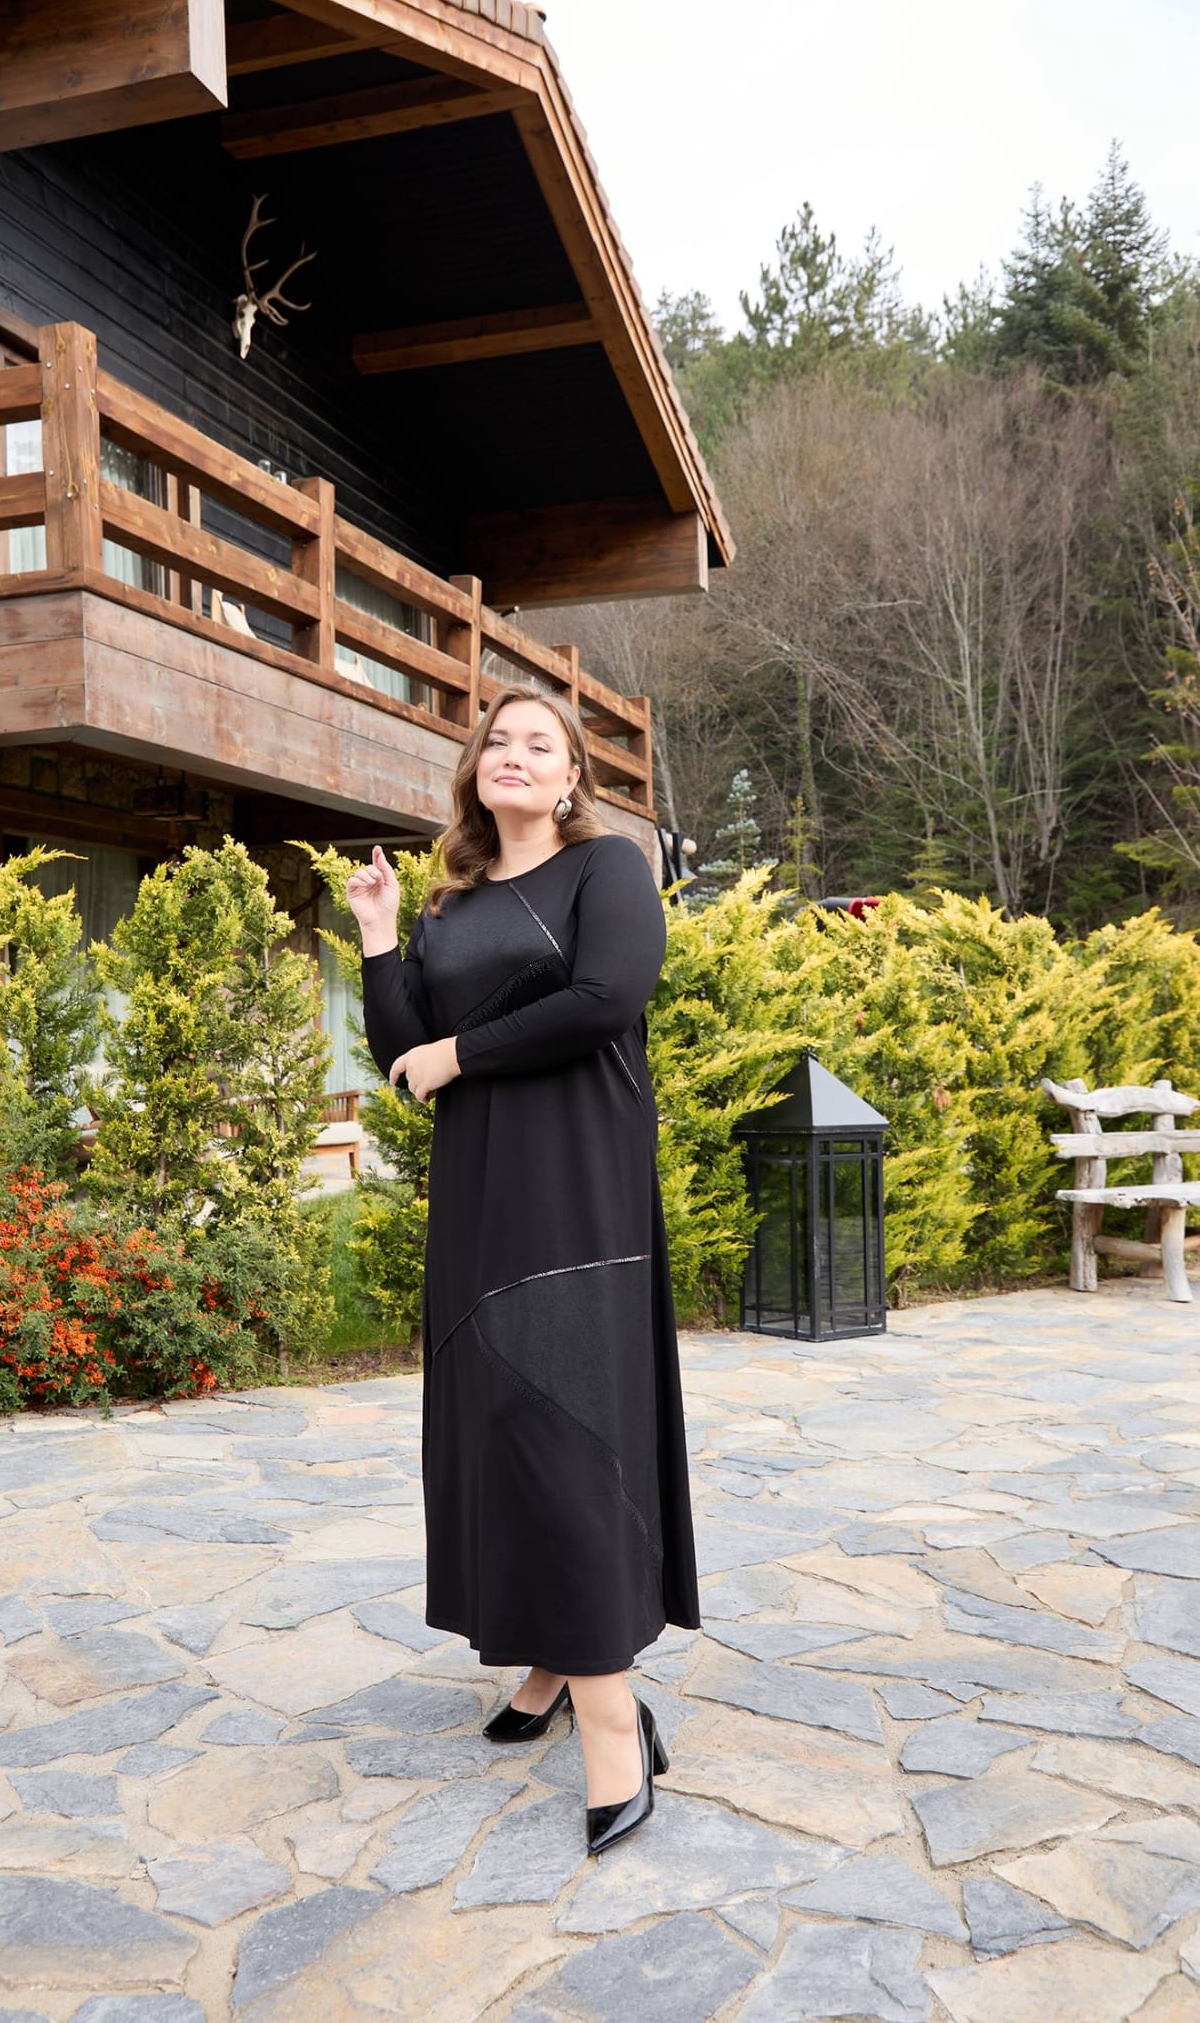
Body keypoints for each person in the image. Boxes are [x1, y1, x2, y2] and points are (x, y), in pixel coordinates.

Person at [347, 685, 700, 1856]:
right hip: (480, 1196)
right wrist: (382, 934)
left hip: (578, 1190)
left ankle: (614, 1718)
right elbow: (404, 1053)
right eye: (497, 739)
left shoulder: (608, 869)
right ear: (475, 770)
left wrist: (461, 1051)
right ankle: (549, 1660)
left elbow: (607, 999)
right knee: (501, 1425)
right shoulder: (453, 902)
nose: (513, 752)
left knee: (566, 1429)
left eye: (539, 742)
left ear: (570, 778)